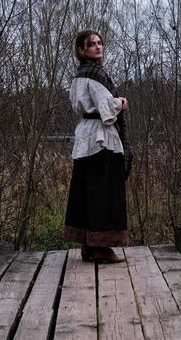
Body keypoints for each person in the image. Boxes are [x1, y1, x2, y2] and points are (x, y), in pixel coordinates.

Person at [64, 30, 132, 263]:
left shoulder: (79, 76)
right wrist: (120, 102)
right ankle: (101, 248)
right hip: (100, 138)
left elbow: (80, 105)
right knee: (104, 192)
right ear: (81, 50)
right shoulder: (95, 74)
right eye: (91, 44)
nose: (97, 47)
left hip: (85, 135)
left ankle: (87, 245)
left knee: (86, 190)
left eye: (100, 43)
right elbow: (106, 109)